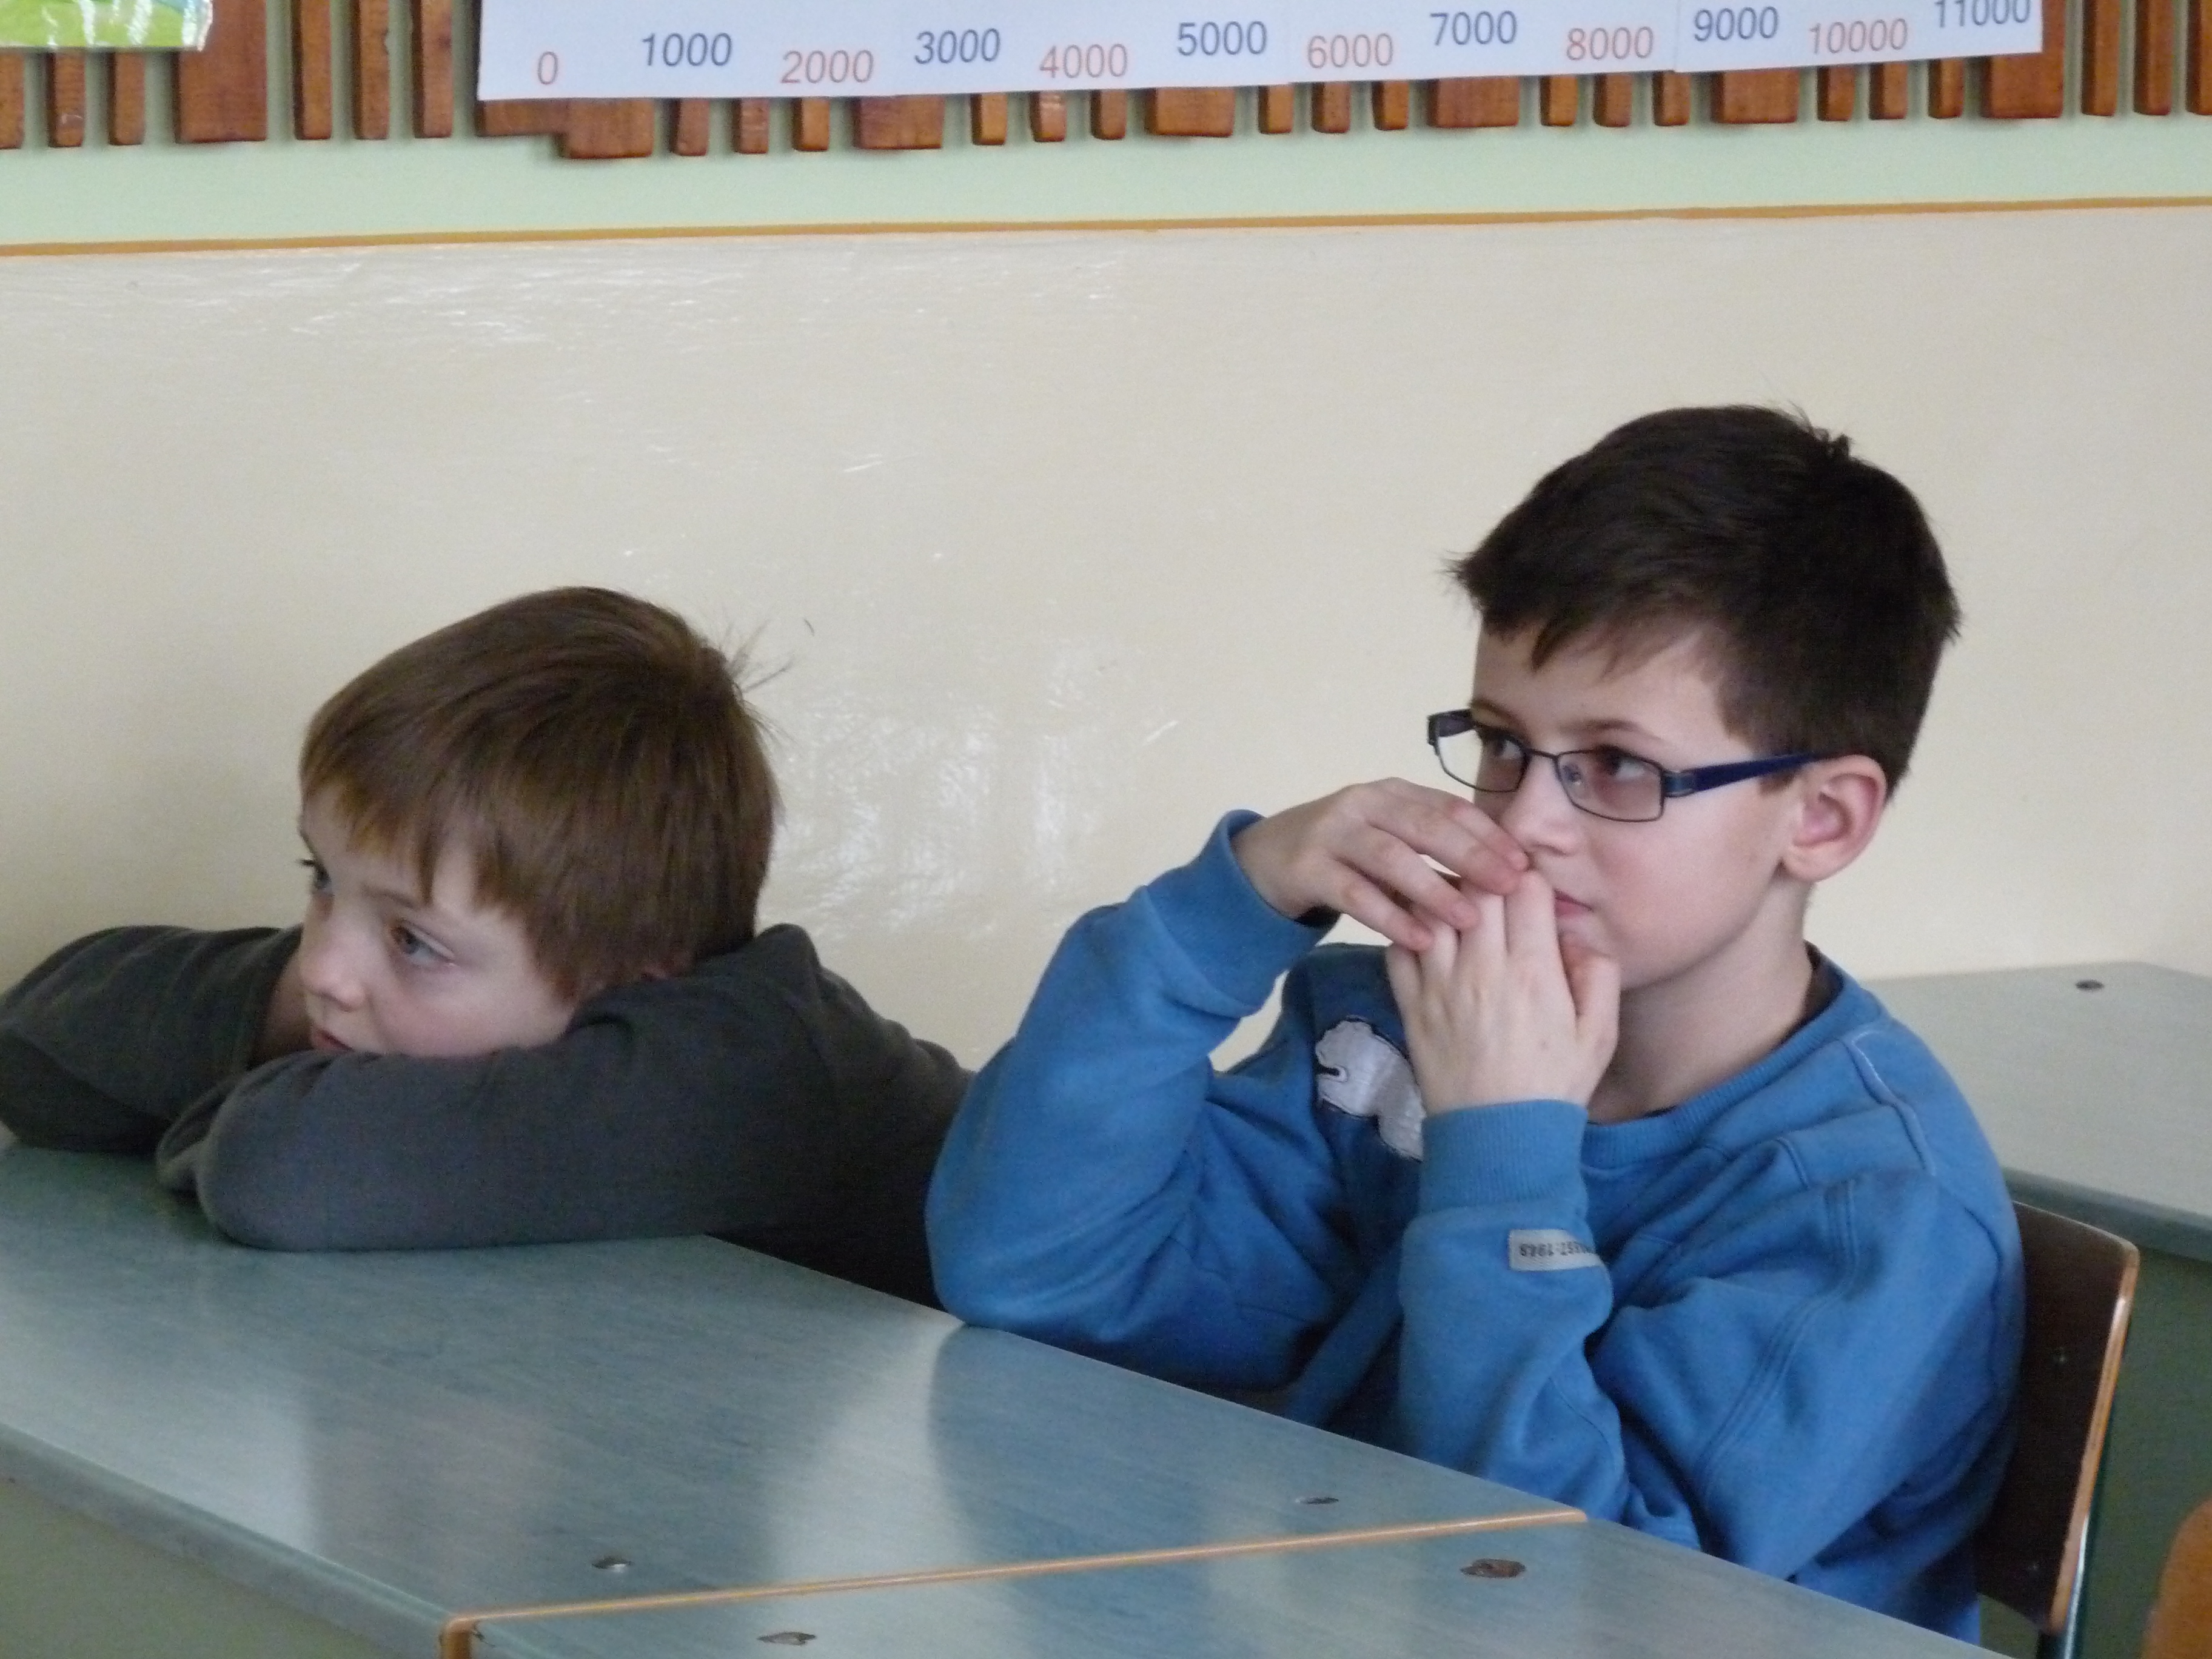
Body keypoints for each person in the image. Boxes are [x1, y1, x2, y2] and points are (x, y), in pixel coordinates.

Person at [928, 406, 2024, 1634]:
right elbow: (1042, 1272)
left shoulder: (1876, 1217)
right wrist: (1229, 908)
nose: (1526, 822)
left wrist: (1501, 1157)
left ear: (1820, 819)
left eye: (1617, 765)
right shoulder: (1400, 1028)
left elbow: (1570, 1603)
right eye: (1503, 744)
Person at [0, 587, 964, 1305]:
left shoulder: (749, 1075)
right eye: (323, 879)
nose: (325, 966)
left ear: (631, 973)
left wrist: (231, 1102)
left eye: (413, 941)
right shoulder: (445, 978)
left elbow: (282, 1169)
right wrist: (301, 1021)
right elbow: (36, 1057)